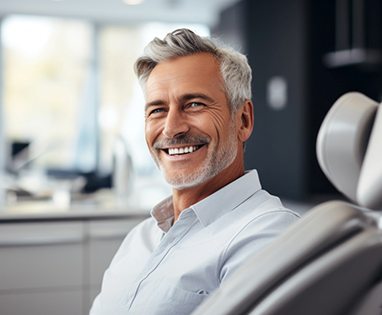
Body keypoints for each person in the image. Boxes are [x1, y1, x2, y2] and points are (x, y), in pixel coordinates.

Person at [90, 28, 300, 315]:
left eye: (194, 104)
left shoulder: (268, 236)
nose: (171, 128)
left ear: (243, 120)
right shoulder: (140, 237)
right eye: (157, 110)